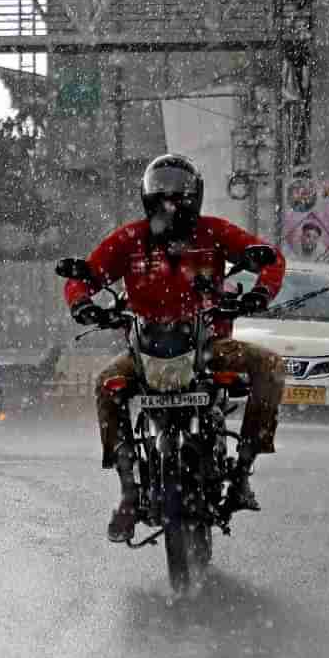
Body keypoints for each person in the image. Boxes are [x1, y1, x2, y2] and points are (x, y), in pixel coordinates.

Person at [63, 154, 287, 542]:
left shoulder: (215, 233)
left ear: (195, 197)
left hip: (210, 345)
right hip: (144, 353)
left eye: (178, 195)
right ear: (148, 198)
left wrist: (260, 292)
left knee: (270, 366)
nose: (170, 203)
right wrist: (81, 303)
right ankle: (127, 487)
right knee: (106, 385)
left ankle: (243, 471)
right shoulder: (129, 239)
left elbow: (270, 259)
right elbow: (85, 274)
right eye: (162, 195)